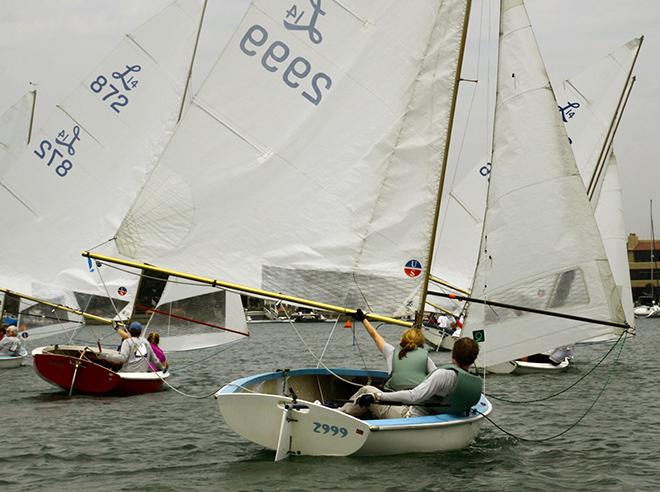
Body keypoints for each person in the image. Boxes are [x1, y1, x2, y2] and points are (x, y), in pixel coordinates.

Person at [351, 337, 483, 419]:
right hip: (440, 417)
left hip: (411, 416)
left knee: (366, 390)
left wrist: (377, 396)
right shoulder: (472, 381)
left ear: (453, 354)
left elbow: (414, 396)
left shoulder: (443, 375)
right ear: (473, 359)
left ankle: (340, 414)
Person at [339, 309, 436, 416]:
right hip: (418, 412)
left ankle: (340, 413)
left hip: (402, 413)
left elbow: (375, 336)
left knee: (366, 390)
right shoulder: (426, 359)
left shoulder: (392, 352)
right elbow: (438, 383)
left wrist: (363, 319)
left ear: (402, 341)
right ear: (421, 343)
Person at [97, 321, 164, 373]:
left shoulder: (127, 342)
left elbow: (122, 358)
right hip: (143, 374)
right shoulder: (146, 342)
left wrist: (105, 356)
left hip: (127, 373)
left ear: (130, 331)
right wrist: (162, 369)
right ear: (140, 332)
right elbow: (155, 360)